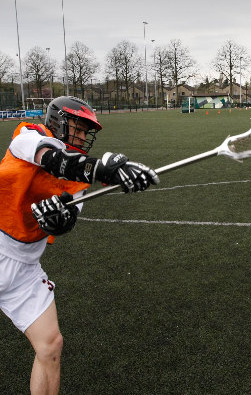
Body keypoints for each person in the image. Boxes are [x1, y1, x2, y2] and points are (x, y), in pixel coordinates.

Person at [0, 96, 159, 395]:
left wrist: (58, 221)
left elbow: (68, 221)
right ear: (59, 121)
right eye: (80, 128)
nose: (84, 137)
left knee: (50, 346)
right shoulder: (28, 135)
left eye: (88, 132)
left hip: (25, 268)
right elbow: (54, 161)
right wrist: (103, 169)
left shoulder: (78, 183)